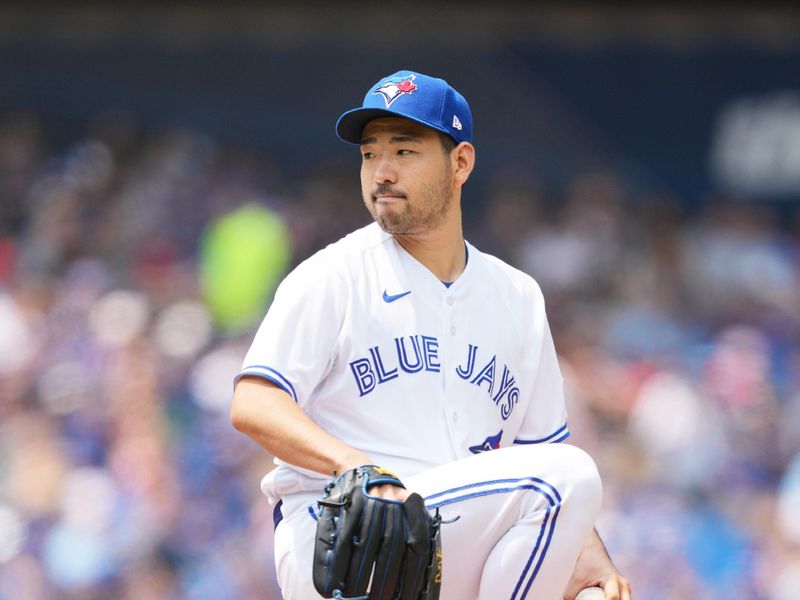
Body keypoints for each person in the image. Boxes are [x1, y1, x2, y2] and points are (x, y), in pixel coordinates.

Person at [231, 70, 631, 600]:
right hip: (347, 539)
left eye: (404, 150)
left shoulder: (517, 297)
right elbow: (254, 402)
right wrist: (356, 465)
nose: (382, 171)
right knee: (570, 473)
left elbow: (540, 457)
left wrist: (589, 559)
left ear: (460, 162)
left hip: (450, 540)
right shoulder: (334, 275)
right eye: (369, 154)